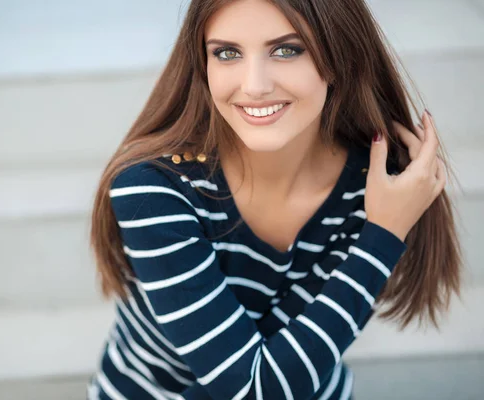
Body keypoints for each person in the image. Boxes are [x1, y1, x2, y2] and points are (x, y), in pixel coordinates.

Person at [87, 0, 463, 398]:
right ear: (204, 65)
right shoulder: (156, 188)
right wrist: (383, 236)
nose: (254, 85)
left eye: (287, 49)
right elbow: (253, 390)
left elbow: (294, 363)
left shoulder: (378, 190)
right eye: (227, 53)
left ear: (338, 56)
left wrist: (384, 226)